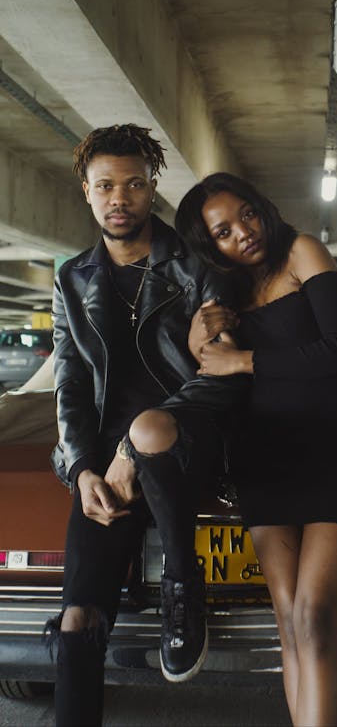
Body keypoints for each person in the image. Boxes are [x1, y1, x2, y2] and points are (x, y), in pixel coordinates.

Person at [45, 126, 244, 727]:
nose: (120, 198)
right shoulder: (72, 279)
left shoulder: (198, 266)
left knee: (151, 433)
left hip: (189, 439)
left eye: (134, 184)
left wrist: (134, 446)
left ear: (152, 186)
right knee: (78, 617)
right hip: (109, 461)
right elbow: (70, 384)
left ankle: (183, 590)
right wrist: (82, 470)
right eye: (105, 185)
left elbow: (224, 374)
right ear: (86, 191)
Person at [175, 172, 337, 727]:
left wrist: (244, 360)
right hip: (263, 458)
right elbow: (206, 380)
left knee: (315, 613)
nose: (242, 232)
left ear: (262, 207)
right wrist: (199, 343)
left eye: (246, 214)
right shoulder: (223, 295)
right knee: (288, 618)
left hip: (336, 448)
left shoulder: (303, 251)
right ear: (209, 245)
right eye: (222, 231)